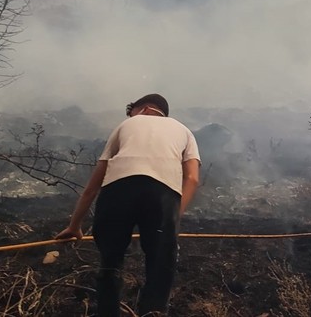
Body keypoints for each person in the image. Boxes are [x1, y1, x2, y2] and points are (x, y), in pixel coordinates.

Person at [56, 93, 202, 317]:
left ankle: (107, 312)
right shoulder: (183, 130)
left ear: (142, 110)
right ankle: (153, 312)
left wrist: (75, 225)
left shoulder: (126, 125)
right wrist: (173, 217)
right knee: (160, 264)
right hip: (162, 193)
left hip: (117, 190)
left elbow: (93, 187)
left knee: (110, 260)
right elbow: (192, 179)